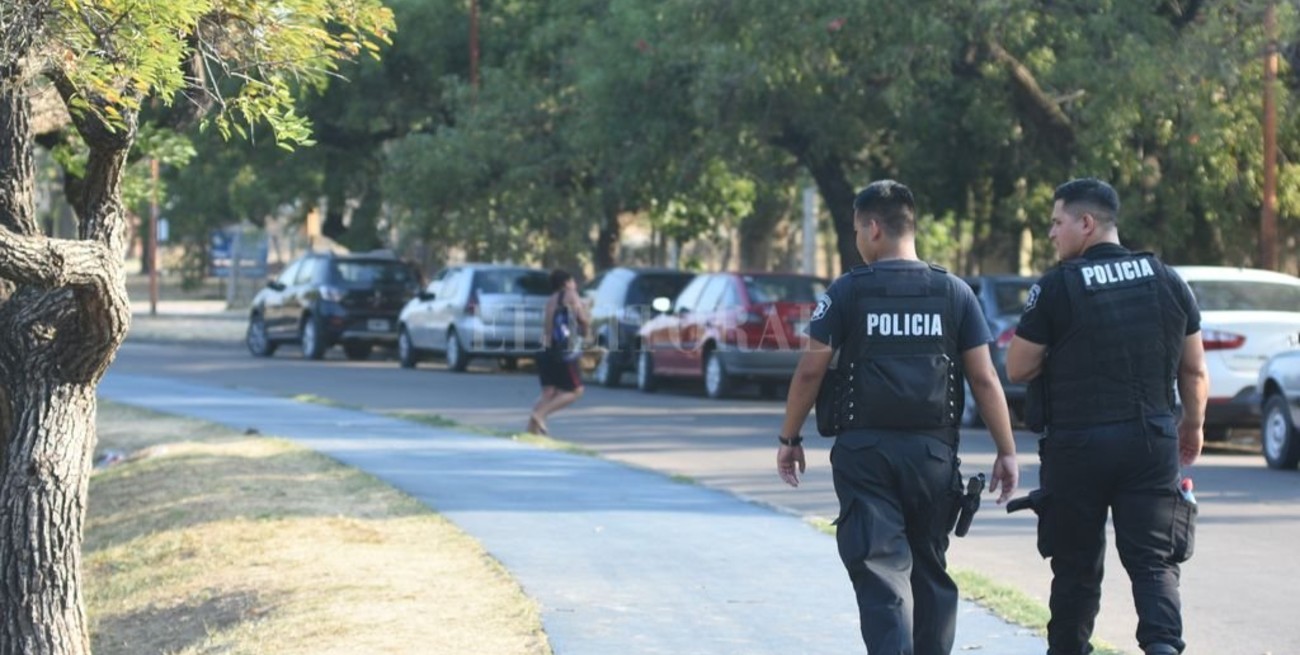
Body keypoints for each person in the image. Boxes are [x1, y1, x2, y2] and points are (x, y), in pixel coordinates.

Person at [776, 180, 1019, 654]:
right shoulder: (954, 293)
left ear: (872, 228)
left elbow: (810, 370)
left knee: (880, 572)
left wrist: (789, 438)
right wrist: (1006, 450)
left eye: (855, 231)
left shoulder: (846, 291)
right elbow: (986, 379)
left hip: (865, 455)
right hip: (932, 456)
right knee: (930, 569)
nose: (855, 241)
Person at [1005, 178, 1209, 655]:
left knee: (1075, 566)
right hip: (1150, 442)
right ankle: (1162, 648)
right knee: (1154, 563)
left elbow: (1018, 366)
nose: (1052, 234)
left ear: (1086, 223)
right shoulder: (1166, 279)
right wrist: (1192, 426)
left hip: (1077, 448)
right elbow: (1195, 368)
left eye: (1057, 223)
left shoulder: (1057, 287)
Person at [528, 269, 590, 435]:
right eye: (573, 281)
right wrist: (586, 331)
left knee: (549, 392)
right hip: (562, 350)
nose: (575, 285)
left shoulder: (550, 300)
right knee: (576, 391)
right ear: (567, 282)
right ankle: (540, 415)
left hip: (544, 349)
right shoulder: (570, 294)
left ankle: (531, 431)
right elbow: (582, 319)